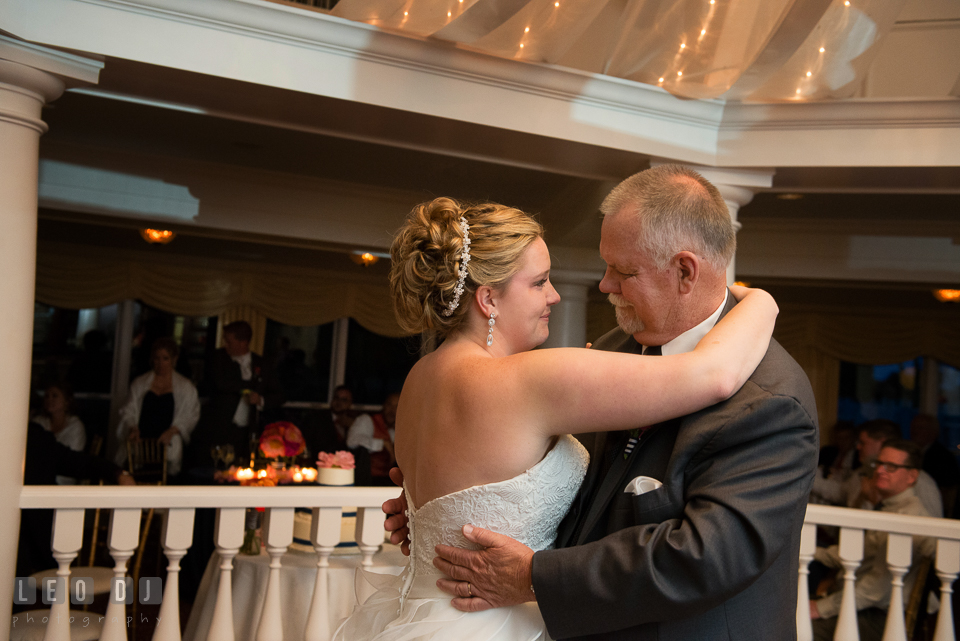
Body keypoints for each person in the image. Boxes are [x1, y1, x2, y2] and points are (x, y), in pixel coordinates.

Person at [335, 190, 782, 641]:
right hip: (498, 622)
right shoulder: (528, 380)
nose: (554, 296)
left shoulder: (419, 379)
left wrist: (427, 521)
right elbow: (714, 375)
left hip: (427, 612)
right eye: (539, 282)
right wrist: (761, 301)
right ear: (488, 298)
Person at [810, 440, 936, 641]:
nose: (880, 470)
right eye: (879, 464)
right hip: (862, 605)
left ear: (912, 476)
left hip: (880, 616)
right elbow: (856, 554)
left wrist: (821, 608)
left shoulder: (909, 517)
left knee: (797, 628)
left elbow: (876, 588)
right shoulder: (889, 509)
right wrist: (808, 549)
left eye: (891, 467)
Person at [193, 321, 282, 464]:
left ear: (243, 343)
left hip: (247, 431)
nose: (226, 345)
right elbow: (220, 383)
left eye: (229, 342)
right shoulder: (218, 358)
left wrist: (260, 400)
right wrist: (250, 386)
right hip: (219, 427)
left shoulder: (262, 364)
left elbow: (279, 395)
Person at [115, 337, 200, 478]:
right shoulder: (140, 383)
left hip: (168, 443)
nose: (160, 363)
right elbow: (128, 410)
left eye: (165, 358)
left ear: (174, 359)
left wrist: (173, 430)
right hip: (142, 443)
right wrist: (132, 427)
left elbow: (191, 415)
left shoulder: (185, 387)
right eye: (157, 358)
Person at [32, 382, 86, 484]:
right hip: (40, 474)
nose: (49, 399)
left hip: (64, 476)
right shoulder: (38, 422)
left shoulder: (75, 426)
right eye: (47, 396)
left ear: (67, 401)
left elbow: (73, 458)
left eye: (55, 396)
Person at [910, 413, 959, 517]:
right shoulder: (914, 452)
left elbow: (947, 491)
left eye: (920, 428)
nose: (914, 432)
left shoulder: (942, 456)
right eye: (913, 427)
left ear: (933, 432)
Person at [347, 392, 399, 485]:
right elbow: (352, 441)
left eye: (396, 406)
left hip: (389, 482)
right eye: (389, 404)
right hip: (365, 481)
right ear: (383, 405)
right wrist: (382, 443)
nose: (392, 410)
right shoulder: (367, 420)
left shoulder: (401, 428)